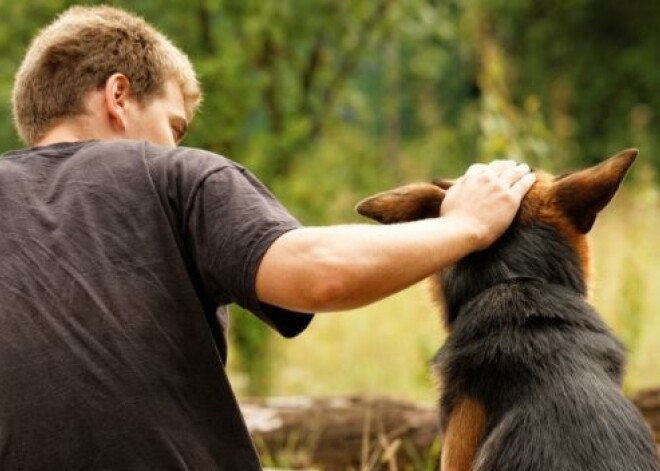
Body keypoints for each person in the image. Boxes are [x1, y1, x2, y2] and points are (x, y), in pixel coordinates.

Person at [1, 5, 536, 470]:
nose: (175, 143)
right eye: (175, 125)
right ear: (119, 96)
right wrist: (465, 225)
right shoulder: (169, 176)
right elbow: (318, 274)